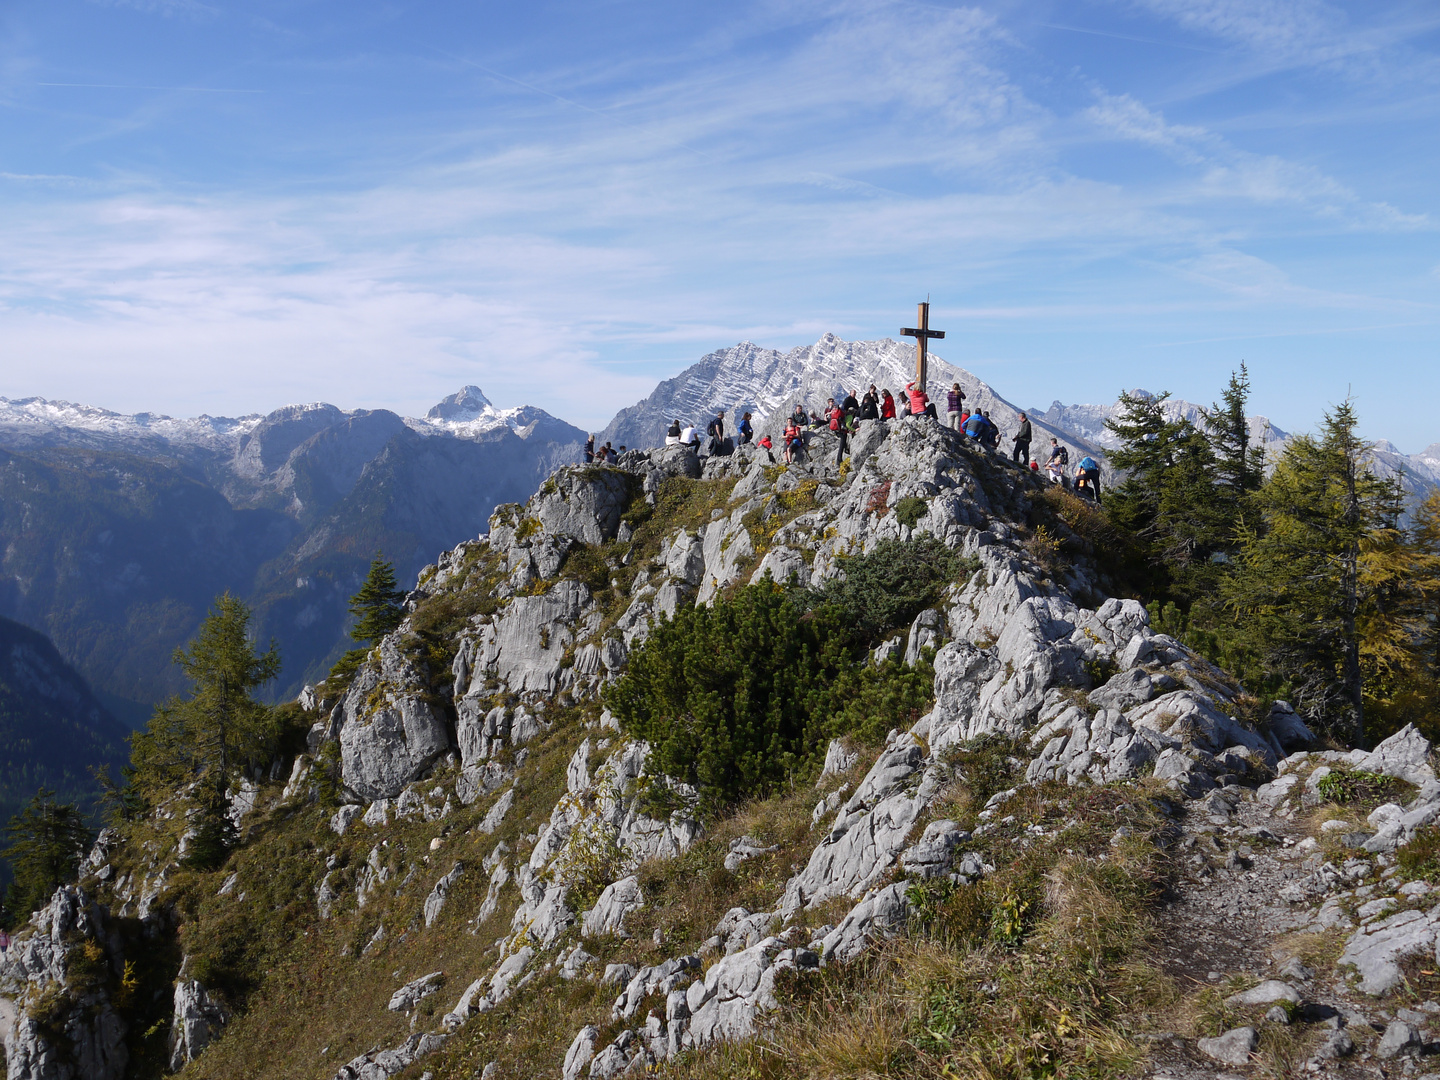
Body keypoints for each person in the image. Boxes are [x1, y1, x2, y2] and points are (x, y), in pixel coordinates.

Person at [829, 400, 849, 465]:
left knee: (843, 439)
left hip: (834, 428)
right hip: (839, 429)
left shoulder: (833, 411)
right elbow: (843, 417)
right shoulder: (840, 411)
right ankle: (839, 459)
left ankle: (845, 450)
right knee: (843, 440)